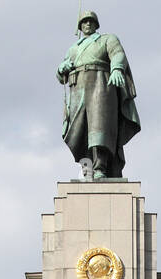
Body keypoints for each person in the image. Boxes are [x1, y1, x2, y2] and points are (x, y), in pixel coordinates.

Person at [56, 10, 140, 180]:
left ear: (96, 24)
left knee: (98, 127)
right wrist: (61, 69)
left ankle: (100, 167)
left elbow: (118, 54)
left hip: (100, 85)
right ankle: (87, 167)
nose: (87, 24)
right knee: (79, 130)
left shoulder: (107, 39)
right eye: (84, 22)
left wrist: (116, 68)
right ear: (80, 26)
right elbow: (61, 76)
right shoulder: (74, 48)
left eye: (90, 22)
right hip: (77, 88)